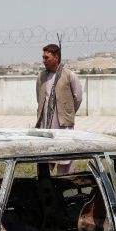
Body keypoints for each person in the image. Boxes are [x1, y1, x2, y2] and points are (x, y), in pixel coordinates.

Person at [35, 43, 83, 174]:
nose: (44, 60)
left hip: (63, 126)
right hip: (45, 126)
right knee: (45, 162)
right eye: (43, 57)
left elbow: (77, 98)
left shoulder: (69, 75)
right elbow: (39, 98)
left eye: (47, 57)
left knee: (65, 161)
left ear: (56, 57)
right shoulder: (41, 77)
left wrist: (67, 113)